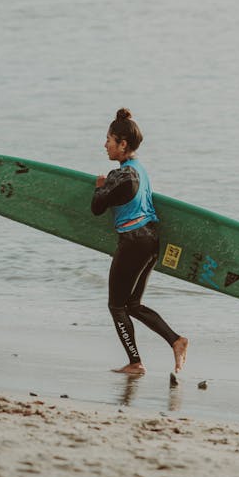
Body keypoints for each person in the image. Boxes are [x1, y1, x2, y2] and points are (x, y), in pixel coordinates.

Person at [91, 108, 188, 376]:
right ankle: (176, 341)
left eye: (109, 140)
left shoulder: (122, 176)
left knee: (116, 306)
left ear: (123, 144)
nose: (105, 145)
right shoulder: (139, 170)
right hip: (150, 241)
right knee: (132, 305)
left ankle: (135, 362)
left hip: (133, 242)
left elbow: (97, 207)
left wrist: (100, 187)